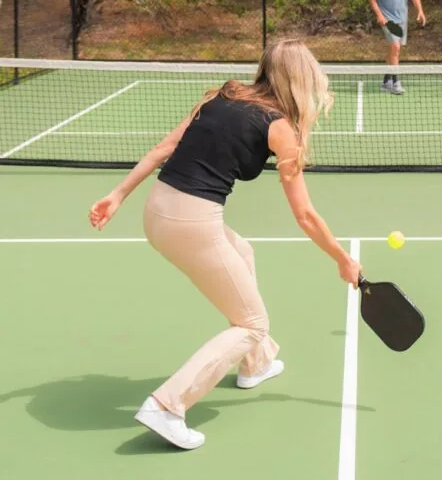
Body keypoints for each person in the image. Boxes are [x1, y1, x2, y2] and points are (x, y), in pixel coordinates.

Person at [88, 40, 362, 451]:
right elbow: (304, 215)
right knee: (252, 325)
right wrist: (342, 258)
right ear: (303, 80)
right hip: (191, 222)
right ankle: (167, 406)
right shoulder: (280, 128)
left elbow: (166, 148)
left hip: (157, 211)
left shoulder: (225, 93)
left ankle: (256, 364)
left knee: (242, 251)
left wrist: (119, 194)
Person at [367, 0, 426, 95]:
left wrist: (420, 11)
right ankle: (396, 82)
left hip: (402, 19)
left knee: (394, 50)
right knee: (395, 47)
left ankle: (386, 80)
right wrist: (380, 15)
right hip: (387, 19)